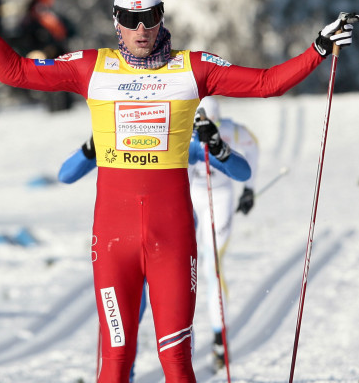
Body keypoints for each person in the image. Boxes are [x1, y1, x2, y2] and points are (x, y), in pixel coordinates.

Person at [0, 0, 358, 382]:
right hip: (112, 241)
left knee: (176, 363)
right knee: (116, 362)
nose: (141, 28)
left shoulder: (192, 68)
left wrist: (318, 48)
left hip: (171, 239)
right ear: (115, 21)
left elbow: (267, 83)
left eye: (150, 17)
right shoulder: (92, 67)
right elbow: (15, 72)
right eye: (129, 18)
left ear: (162, 18)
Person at [58, 112, 252, 381]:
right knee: (124, 330)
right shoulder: (113, 132)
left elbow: (242, 172)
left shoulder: (178, 135)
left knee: (176, 339)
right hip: (123, 248)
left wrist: (217, 145)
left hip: (172, 247)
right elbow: (65, 174)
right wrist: (92, 146)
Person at [188, 97, 259, 370]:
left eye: (211, 124)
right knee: (184, 264)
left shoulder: (230, 129)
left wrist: (249, 188)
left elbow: (252, 149)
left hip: (220, 198)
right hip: (193, 196)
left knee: (211, 267)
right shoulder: (184, 128)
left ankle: (219, 337)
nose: (206, 128)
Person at [11, 0, 78, 112]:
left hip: (56, 54)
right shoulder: (29, 19)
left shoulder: (55, 18)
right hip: (38, 53)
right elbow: (21, 34)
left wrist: (61, 41)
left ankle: (65, 99)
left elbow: (69, 30)